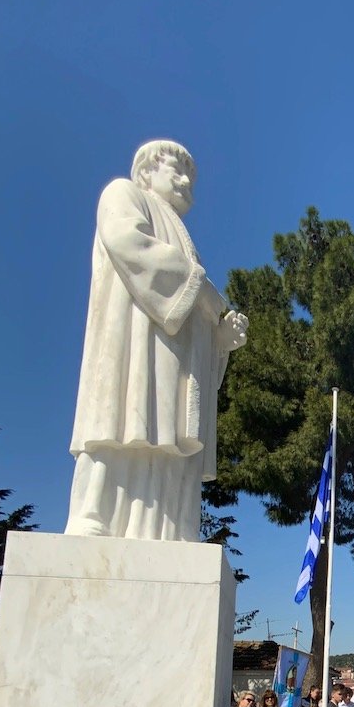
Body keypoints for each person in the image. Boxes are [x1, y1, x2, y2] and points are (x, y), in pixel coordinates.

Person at [65, 140, 249, 540]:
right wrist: (202, 290)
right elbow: (129, 244)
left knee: (168, 436)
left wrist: (220, 340)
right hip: (133, 344)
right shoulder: (123, 193)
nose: (187, 183)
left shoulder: (185, 237)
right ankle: (95, 512)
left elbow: (193, 312)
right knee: (120, 418)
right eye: (177, 171)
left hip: (176, 361)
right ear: (147, 171)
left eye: (192, 178)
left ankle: (165, 527)